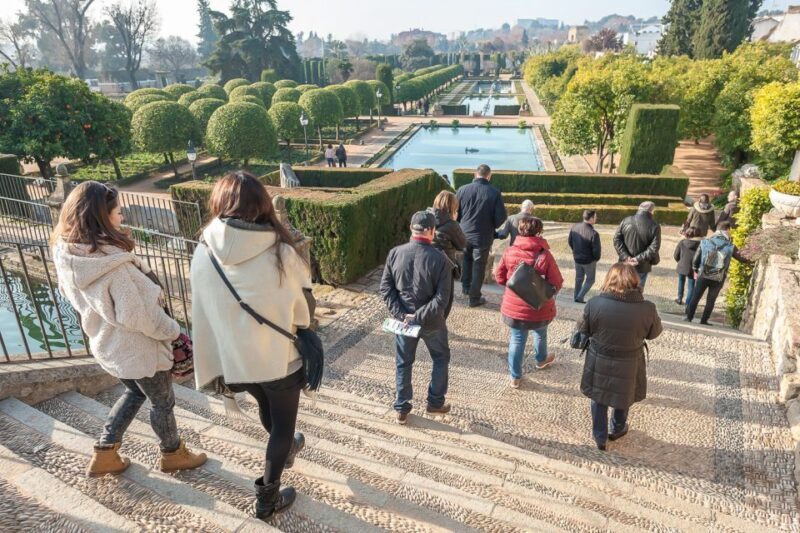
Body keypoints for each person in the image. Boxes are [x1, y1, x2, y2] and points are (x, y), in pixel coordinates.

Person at [51, 181, 207, 477]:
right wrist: (175, 332)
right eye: (118, 212)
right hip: (139, 349)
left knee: (134, 393)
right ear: (100, 216)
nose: (122, 217)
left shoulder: (70, 255)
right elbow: (142, 317)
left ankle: (105, 452)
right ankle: (173, 453)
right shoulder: (114, 267)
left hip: (109, 344)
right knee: (163, 401)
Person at [191, 172, 311, 520]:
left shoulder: (203, 248)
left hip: (233, 362)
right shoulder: (279, 251)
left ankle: (284, 448)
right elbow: (301, 313)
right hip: (277, 359)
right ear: (262, 204)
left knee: (264, 402)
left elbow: (205, 306)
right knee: (283, 427)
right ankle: (267, 499)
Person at [577, 262, 663, 451]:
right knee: (625, 394)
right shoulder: (648, 308)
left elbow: (583, 328)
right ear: (635, 281)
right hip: (630, 360)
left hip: (599, 357)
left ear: (610, 279)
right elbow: (654, 333)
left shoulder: (594, 303)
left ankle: (599, 436)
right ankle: (617, 428)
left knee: (598, 397)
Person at [379, 211, 453, 425]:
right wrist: (417, 316)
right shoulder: (441, 259)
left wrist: (403, 315)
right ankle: (435, 402)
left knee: (403, 363)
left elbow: (386, 288)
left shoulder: (395, 253)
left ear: (412, 229)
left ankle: (402, 408)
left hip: (404, 322)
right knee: (440, 358)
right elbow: (442, 299)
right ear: (432, 231)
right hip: (431, 322)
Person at [494, 217, 564, 388]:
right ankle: (541, 360)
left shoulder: (510, 251)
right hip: (538, 306)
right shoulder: (544, 255)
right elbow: (557, 281)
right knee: (540, 333)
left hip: (514, 307)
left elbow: (499, 276)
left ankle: (515, 377)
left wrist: (515, 289)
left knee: (517, 339)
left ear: (520, 230)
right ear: (539, 232)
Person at [456, 164, 507, 307]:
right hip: (483, 236)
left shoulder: (462, 190)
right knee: (479, 265)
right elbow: (501, 217)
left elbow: (455, 213)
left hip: (464, 233)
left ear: (475, 174)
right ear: (489, 176)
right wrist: (492, 226)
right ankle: (474, 297)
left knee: (466, 260)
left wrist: (461, 224)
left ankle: (466, 288)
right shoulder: (494, 192)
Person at [685, 221, 747, 325]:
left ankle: (688, 317)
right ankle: (704, 320)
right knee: (711, 300)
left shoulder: (705, 242)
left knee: (696, 296)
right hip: (719, 277)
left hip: (703, 274)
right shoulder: (730, 246)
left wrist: (696, 269)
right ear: (727, 230)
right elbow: (743, 259)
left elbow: (695, 259)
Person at [429, 191, 467, 318]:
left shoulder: (426, 216)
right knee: (445, 300)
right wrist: (455, 221)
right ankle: (438, 327)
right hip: (444, 265)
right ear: (452, 207)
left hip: (425, 262)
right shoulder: (451, 224)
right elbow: (462, 245)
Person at [613, 201, 661, 291]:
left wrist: (626, 257)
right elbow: (654, 248)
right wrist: (637, 259)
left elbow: (616, 240)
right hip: (642, 265)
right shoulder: (655, 226)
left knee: (621, 289)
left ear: (639, 208)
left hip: (625, 263)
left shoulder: (626, 220)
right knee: (637, 291)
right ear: (652, 211)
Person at [568, 210, 601, 303]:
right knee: (590, 280)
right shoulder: (594, 233)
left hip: (577, 259)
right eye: (595, 217)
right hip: (589, 261)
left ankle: (576, 296)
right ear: (590, 218)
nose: (596, 218)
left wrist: (575, 251)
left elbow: (570, 241)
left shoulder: (574, 227)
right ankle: (579, 297)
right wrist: (596, 259)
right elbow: (597, 250)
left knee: (578, 278)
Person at [672, 227, 700, 305]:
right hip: (694, 268)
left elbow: (675, 255)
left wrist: (680, 262)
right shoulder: (700, 244)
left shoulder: (682, 242)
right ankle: (688, 303)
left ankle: (679, 298)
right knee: (691, 286)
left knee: (681, 281)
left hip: (682, 266)